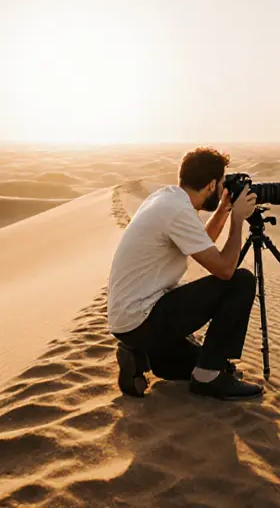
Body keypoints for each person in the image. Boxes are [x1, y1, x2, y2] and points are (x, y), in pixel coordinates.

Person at [106, 146, 264, 400]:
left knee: (212, 365)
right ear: (211, 185)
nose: (225, 189)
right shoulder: (178, 211)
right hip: (143, 317)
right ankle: (209, 379)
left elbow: (201, 245)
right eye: (223, 183)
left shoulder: (166, 198)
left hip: (129, 319)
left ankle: (140, 354)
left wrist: (224, 210)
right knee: (240, 281)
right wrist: (237, 221)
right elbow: (224, 270)